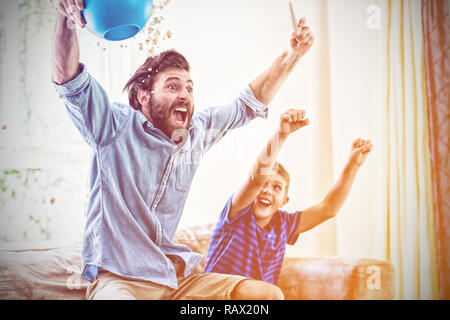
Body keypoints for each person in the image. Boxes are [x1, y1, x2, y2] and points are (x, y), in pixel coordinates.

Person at [52, 0, 314, 299]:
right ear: (144, 97)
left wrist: (292, 55)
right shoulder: (113, 127)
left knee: (266, 296)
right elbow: (69, 81)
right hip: (119, 282)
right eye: (173, 86)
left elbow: (247, 104)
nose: (186, 95)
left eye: (189, 88)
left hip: (175, 282)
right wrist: (65, 18)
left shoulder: (196, 132)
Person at [204, 109, 373, 286]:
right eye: (263, 184)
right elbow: (256, 178)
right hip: (218, 295)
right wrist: (281, 135)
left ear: (285, 201)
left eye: (276, 187)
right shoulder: (237, 212)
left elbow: (328, 209)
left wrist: (353, 164)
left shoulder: (284, 224)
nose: (267, 191)